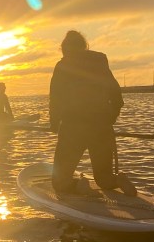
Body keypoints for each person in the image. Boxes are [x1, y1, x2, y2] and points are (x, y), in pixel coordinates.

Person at [49, 30, 136, 196]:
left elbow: (56, 99)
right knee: (104, 178)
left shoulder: (63, 65)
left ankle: (79, 186)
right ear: (84, 46)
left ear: (64, 48)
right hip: (102, 127)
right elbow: (116, 93)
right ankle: (118, 180)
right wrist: (111, 117)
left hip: (73, 128)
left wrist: (54, 124)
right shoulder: (100, 62)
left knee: (59, 182)